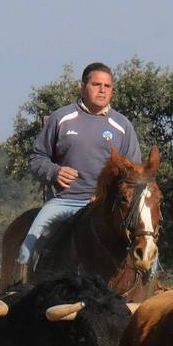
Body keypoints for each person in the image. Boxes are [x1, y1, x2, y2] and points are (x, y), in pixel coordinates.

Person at [17, 62, 141, 276]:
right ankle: (21, 291)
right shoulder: (61, 118)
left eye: (107, 86)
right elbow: (37, 158)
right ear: (82, 87)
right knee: (29, 246)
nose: (102, 90)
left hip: (107, 208)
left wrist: (107, 195)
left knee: (149, 252)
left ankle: (152, 292)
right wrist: (54, 172)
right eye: (96, 84)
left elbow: (134, 173)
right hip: (66, 201)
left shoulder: (123, 126)